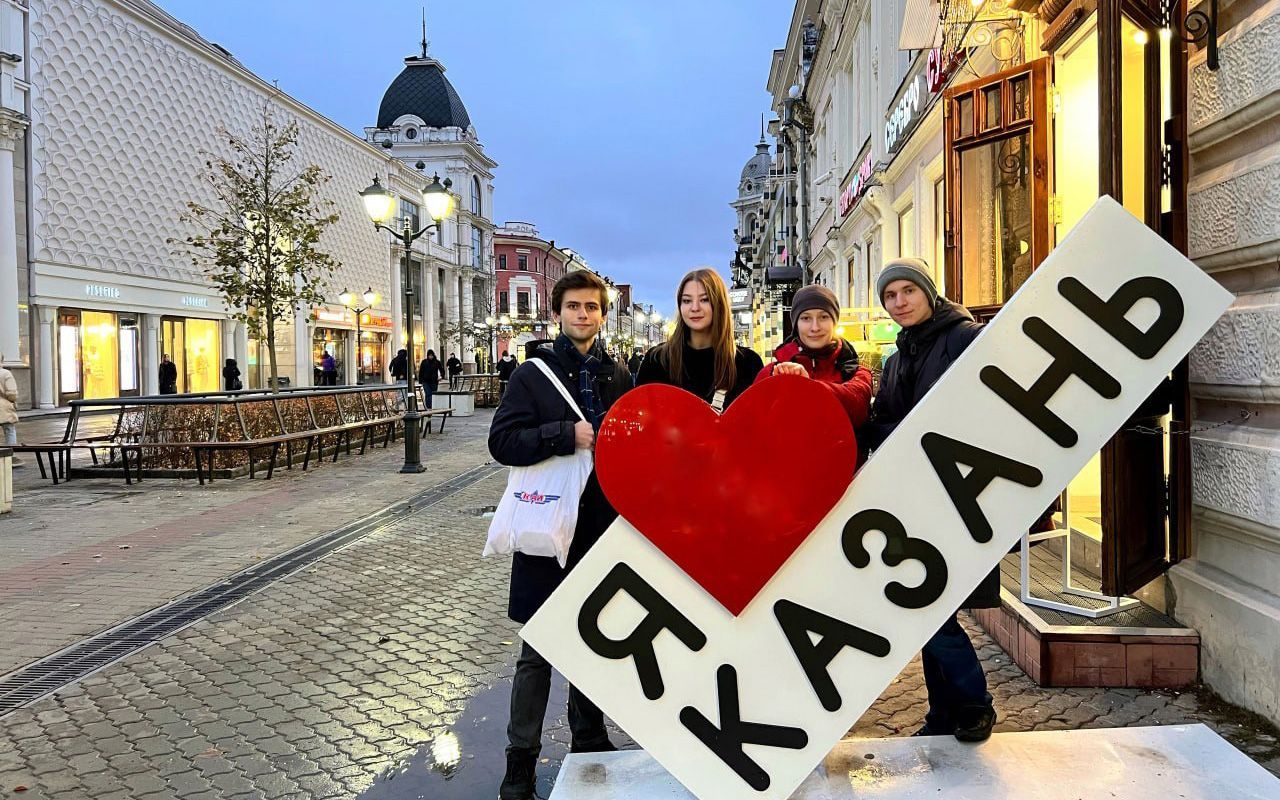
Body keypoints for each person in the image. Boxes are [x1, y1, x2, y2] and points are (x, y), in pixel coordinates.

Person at [489, 270, 631, 800]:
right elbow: (502, 441)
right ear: (558, 313)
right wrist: (562, 436)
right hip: (547, 531)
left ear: (602, 313)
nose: (583, 315)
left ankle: (589, 739)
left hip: (599, 527)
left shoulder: (619, 373)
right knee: (537, 651)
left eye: (592, 307)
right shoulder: (533, 374)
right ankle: (519, 761)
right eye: (574, 307)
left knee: (592, 644)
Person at [863, 257, 998, 743]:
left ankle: (974, 704)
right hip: (915, 496)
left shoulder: (963, 337)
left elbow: (983, 410)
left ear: (928, 292)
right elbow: (884, 420)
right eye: (890, 297)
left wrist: (907, 432)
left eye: (907, 292)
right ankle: (946, 713)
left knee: (932, 609)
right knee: (926, 609)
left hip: (959, 494)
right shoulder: (898, 357)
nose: (899, 303)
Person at [754, 284, 872, 448]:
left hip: (847, 471)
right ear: (796, 324)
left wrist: (807, 386)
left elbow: (858, 409)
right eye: (806, 318)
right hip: (788, 471)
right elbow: (753, 423)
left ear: (834, 322)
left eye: (823, 317)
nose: (815, 327)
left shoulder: (857, 372)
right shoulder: (772, 372)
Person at [635, 267, 763, 409]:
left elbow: (760, 422)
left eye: (704, 300)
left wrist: (786, 376)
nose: (695, 308)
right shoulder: (657, 360)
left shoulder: (747, 363)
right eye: (687, 301)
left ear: (719, 304)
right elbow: (639, 418)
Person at [0, 358, 20, 466]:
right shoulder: (5, 373)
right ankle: (11, 455)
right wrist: (13, 401)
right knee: (9, 430)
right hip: (3, 406)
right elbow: (11, 393)